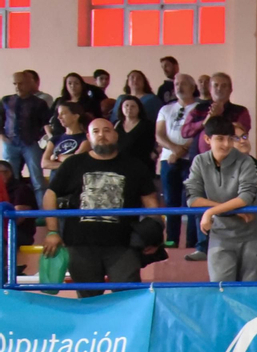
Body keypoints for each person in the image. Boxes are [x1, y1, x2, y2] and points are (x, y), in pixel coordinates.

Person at [42, 117, 158, 295]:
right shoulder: (73, 164)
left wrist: (154, 234)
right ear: (88, 136)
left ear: (116, 135)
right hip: (80, 245)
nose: (102, 135)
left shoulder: (135, 166)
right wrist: (52, 231)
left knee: (128, 298)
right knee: (89, 300)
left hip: (123, 245)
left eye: (107, 130)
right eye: (96, 131)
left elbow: (152, 204)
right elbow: (50, 194)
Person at [186, 115, 257, 282]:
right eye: (220, 139)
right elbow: (193, 199)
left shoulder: (244, 160)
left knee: (252, 287)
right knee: (220, 286)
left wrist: (211, 212)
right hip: (221, 233)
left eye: (229, 139)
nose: (226, 144)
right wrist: (230, 211)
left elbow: (246, 196)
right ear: (207, 139)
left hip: (254, 231)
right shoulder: (199, 161)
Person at [155, 74, 200, 247]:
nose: (179, 87)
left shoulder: (199, 108)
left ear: (192, 87)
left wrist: (182, 151)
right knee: (170, 201)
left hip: (190, 160)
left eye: (183, 84)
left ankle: (191, 242)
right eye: (176, 84)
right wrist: (174, 150)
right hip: (169, 160)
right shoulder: (165, 109)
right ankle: (172, 239)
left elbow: (199, 133)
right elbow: (159, 135)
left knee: (191, 201)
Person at [3, 69, 52, 200]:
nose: (18, 87)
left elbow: (45, 123)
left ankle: (43, 214)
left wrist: (44, 139)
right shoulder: (6, 101)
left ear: (29, 83)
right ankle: (12, 210)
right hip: (10, 143)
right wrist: (2, 137)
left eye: (21, 83)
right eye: (15, 84)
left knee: (37, 179)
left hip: (30, 143)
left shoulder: (39, 103)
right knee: (9, 179)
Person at [41, 100, 88, 174]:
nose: (59, 117)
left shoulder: (86, 138)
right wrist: (65, 163)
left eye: (63, 114)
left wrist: (56, 157)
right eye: (59, 114)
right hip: (55, 181)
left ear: (75, 116)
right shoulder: (55, 139)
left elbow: (75, 160)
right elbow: (44, 163)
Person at [115, 96, 157, 168]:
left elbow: (158, 140)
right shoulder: (117, 124)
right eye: (126, 106)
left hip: (142, 163)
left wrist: (156, 153)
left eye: (133, 106)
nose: (129, 108)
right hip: (121, 163)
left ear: (139, 109)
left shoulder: (148, 124)